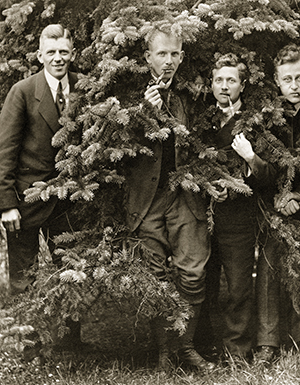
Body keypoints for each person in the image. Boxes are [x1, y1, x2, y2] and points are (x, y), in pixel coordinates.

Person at [122, 27, 214, 372]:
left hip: (185, 196)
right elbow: (118, 145)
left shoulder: (192, 95)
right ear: (148, 57)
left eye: (175, 54)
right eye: (162, 54)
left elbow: (200, 142)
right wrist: (145, 113)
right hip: (147, 200)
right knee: (154, 276)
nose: (169, 61)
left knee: (192, 273)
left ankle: (185, 346)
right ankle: (164, 354)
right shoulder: (130, 94)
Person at [0, 25, 83, 346]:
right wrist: (6, 204)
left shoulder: (84, 89)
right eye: (51, 52)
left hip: (70, 200)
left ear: (72, 53)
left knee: (70, 272)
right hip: (26, 200)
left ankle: (71, 341)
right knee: (23, 278)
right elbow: (1, 151)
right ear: (40, 55)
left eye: (64, 52)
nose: (58, 58)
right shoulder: (23, 91)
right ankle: (27, 344)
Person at [200, 53, 277, 361]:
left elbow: (272, 174)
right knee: (203, 283)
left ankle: (237, 350)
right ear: (211, 84)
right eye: (218, 80)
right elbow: (189, 164)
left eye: (231, 80)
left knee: (238, 288)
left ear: (243, 85)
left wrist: (249, 157)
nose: (224, 86)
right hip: (204, 216)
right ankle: (205, 346)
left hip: (239, 219)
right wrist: (207, 185)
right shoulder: (202, 122)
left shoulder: (255, 123)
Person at [254, 44, 300, 365]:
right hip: (273, 209)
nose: (294, 85)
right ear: (277, 81)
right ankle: (266, 343)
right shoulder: (268, 120)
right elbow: (264, 168)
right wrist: (279, 201)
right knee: (269, 267)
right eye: (287, 79)